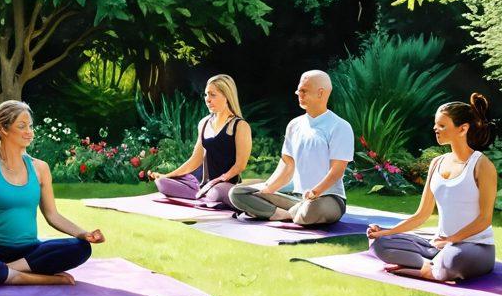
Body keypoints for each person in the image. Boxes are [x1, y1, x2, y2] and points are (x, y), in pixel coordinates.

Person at [0, 101, 105, 286]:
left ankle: (7, 270)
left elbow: (52, 215)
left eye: (30, 126)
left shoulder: (40, 168)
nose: (29, 131)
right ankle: (30, 277)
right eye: (22, 126)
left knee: (80, 248)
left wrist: (83, 234)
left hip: (29, 251)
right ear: (3, 129)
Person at [367, 95, 497, 281]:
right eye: (436, 124)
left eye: (442, 125)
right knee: (379, 244)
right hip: (437, 244)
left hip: (474, 247)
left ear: (463, 129)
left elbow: (485, 219)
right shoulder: (437, 163)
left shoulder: (482, 165)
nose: (436, 128)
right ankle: (431, 267)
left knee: (454, 259)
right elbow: (422, 214)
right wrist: (385, 232)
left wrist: (451, 240)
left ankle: (424, 269)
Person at [229, 70, 354, 225]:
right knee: (237, 193)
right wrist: (268, 188)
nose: (299, 94)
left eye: (304, 91)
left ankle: (281, 212)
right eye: (298, 91)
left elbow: (337, 171)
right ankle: (284, 213)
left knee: (310, 211)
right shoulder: (294, 125)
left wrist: (315, 192)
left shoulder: (340, 126)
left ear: (320, 93)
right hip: (296, 198)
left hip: (328, 199)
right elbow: (287, 166)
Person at [148, 74, 251, 209]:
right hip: (203, 184)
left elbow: (240, 165)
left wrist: (219, 180)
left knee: (217, 192)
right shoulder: (204, 123)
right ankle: (203, 194)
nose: (207, 99)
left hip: (225, 184)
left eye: (212, 95)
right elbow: (195, 160)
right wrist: (167, 176)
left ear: (227, 97)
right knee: (162, 183)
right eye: (206, 95)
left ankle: (208, 195)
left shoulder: (240, 125)